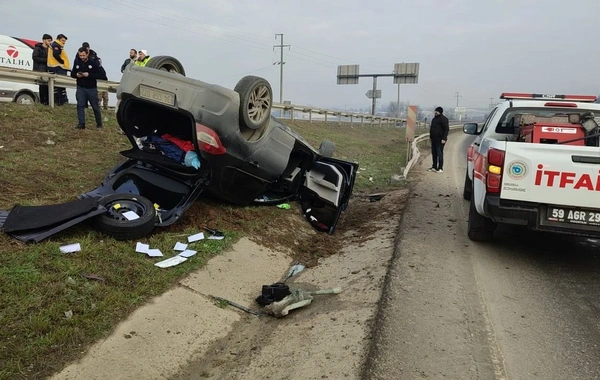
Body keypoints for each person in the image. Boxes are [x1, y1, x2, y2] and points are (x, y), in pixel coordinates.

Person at [71, 47, 107, 130]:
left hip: (91, 88)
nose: (82, 57)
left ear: (87, 54)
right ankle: (81, 124)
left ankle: (99, 124)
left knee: (95, 107)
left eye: (83, 55)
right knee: (80, 105)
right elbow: (72, 73)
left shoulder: (93, 62)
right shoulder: (77, 61)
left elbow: (99, 75)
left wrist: (89, 75)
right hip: (80, 87)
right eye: (80, 55)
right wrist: (76, 75)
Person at [47, 34, 70, 105]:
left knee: (58, 86)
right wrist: (62, 61)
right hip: (57, 67)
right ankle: (60, 101)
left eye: (65, 41)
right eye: (63, 40)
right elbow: (56, 54)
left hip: (56, 67)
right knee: (60, 85)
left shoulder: (57, 45)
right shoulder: (56, 45)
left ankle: (58, 101)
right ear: (58, 39)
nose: (64, 42)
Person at [32, 33, 53, 105]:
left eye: (51, 41)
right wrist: (46, 60)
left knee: (48, 87)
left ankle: (47, 102)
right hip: (40, 69)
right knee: (42, 86)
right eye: (49, 40)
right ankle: (42, 102)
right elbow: (35, 57)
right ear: (44, 40)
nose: (50, 42)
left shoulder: (50, 49)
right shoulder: (38, 48)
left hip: (48, 70)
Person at [428, 106, 449, 173]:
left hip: (440, 140)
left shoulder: (444, 119)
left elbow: (446, 129)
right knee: (434, 153)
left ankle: (440, 168)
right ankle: (434, 166)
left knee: (439, 154)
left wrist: (444, 138)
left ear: (439, 112)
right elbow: (432, 129)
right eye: (435, 111)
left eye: (436, 111)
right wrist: (431, 137)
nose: (435, 112)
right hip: (434, 139)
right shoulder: (434, 119)